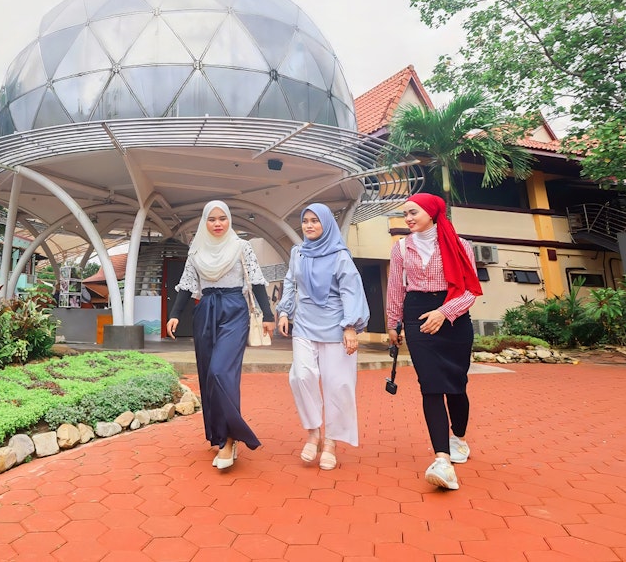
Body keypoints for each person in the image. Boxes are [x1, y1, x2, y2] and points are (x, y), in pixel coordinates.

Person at [166, 200, 275, 470]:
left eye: (222, 218)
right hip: (205, 310)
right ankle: (220, 435)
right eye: (212, 219)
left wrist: (268, 316)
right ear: (205, 222)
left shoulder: (242, 247)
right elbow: (187, 284)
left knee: (220, 372)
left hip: (234, 310)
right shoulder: (197, 249)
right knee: (208, 375)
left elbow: (257, 281)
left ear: (229, 221)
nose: (217, 223)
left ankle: (229, 439)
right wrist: (175, 313)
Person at [386, 192, 482, 490]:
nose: (408, 218)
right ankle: (442, 459)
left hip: (453, 315)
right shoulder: (401, 247)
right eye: (405, 214)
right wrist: (393, 323)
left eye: (413, 212)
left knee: (455, 385)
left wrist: (444, 312)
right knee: (430, 384)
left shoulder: (461, 245)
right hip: (416, 314)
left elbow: (470, 290)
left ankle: (459, 438)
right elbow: (395, 288)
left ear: (431, 212)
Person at [277, 203, 370, 470]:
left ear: (326, 224)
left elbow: (351, 290)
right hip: (305, 323)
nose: (309, 225)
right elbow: (289, 282)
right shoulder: (298, 253)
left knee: (338, 384)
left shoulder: (340, 256)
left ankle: (330, 442)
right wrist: (284, 312)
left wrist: (350, 326)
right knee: (300, 375)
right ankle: (313, 431)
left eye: (315, 221)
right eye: (305, 220)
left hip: (336, 326)